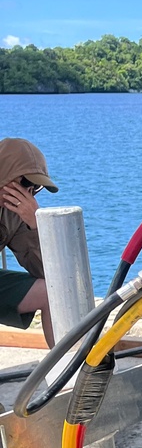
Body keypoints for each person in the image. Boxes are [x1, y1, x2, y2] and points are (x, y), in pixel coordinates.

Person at [0, 137, 56, 346]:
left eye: (36, 187)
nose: (29, 192)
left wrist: (36, 225)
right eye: (25, 183)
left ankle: (66, 370)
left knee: (52, 292)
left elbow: (45, 272)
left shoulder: (13, 214)